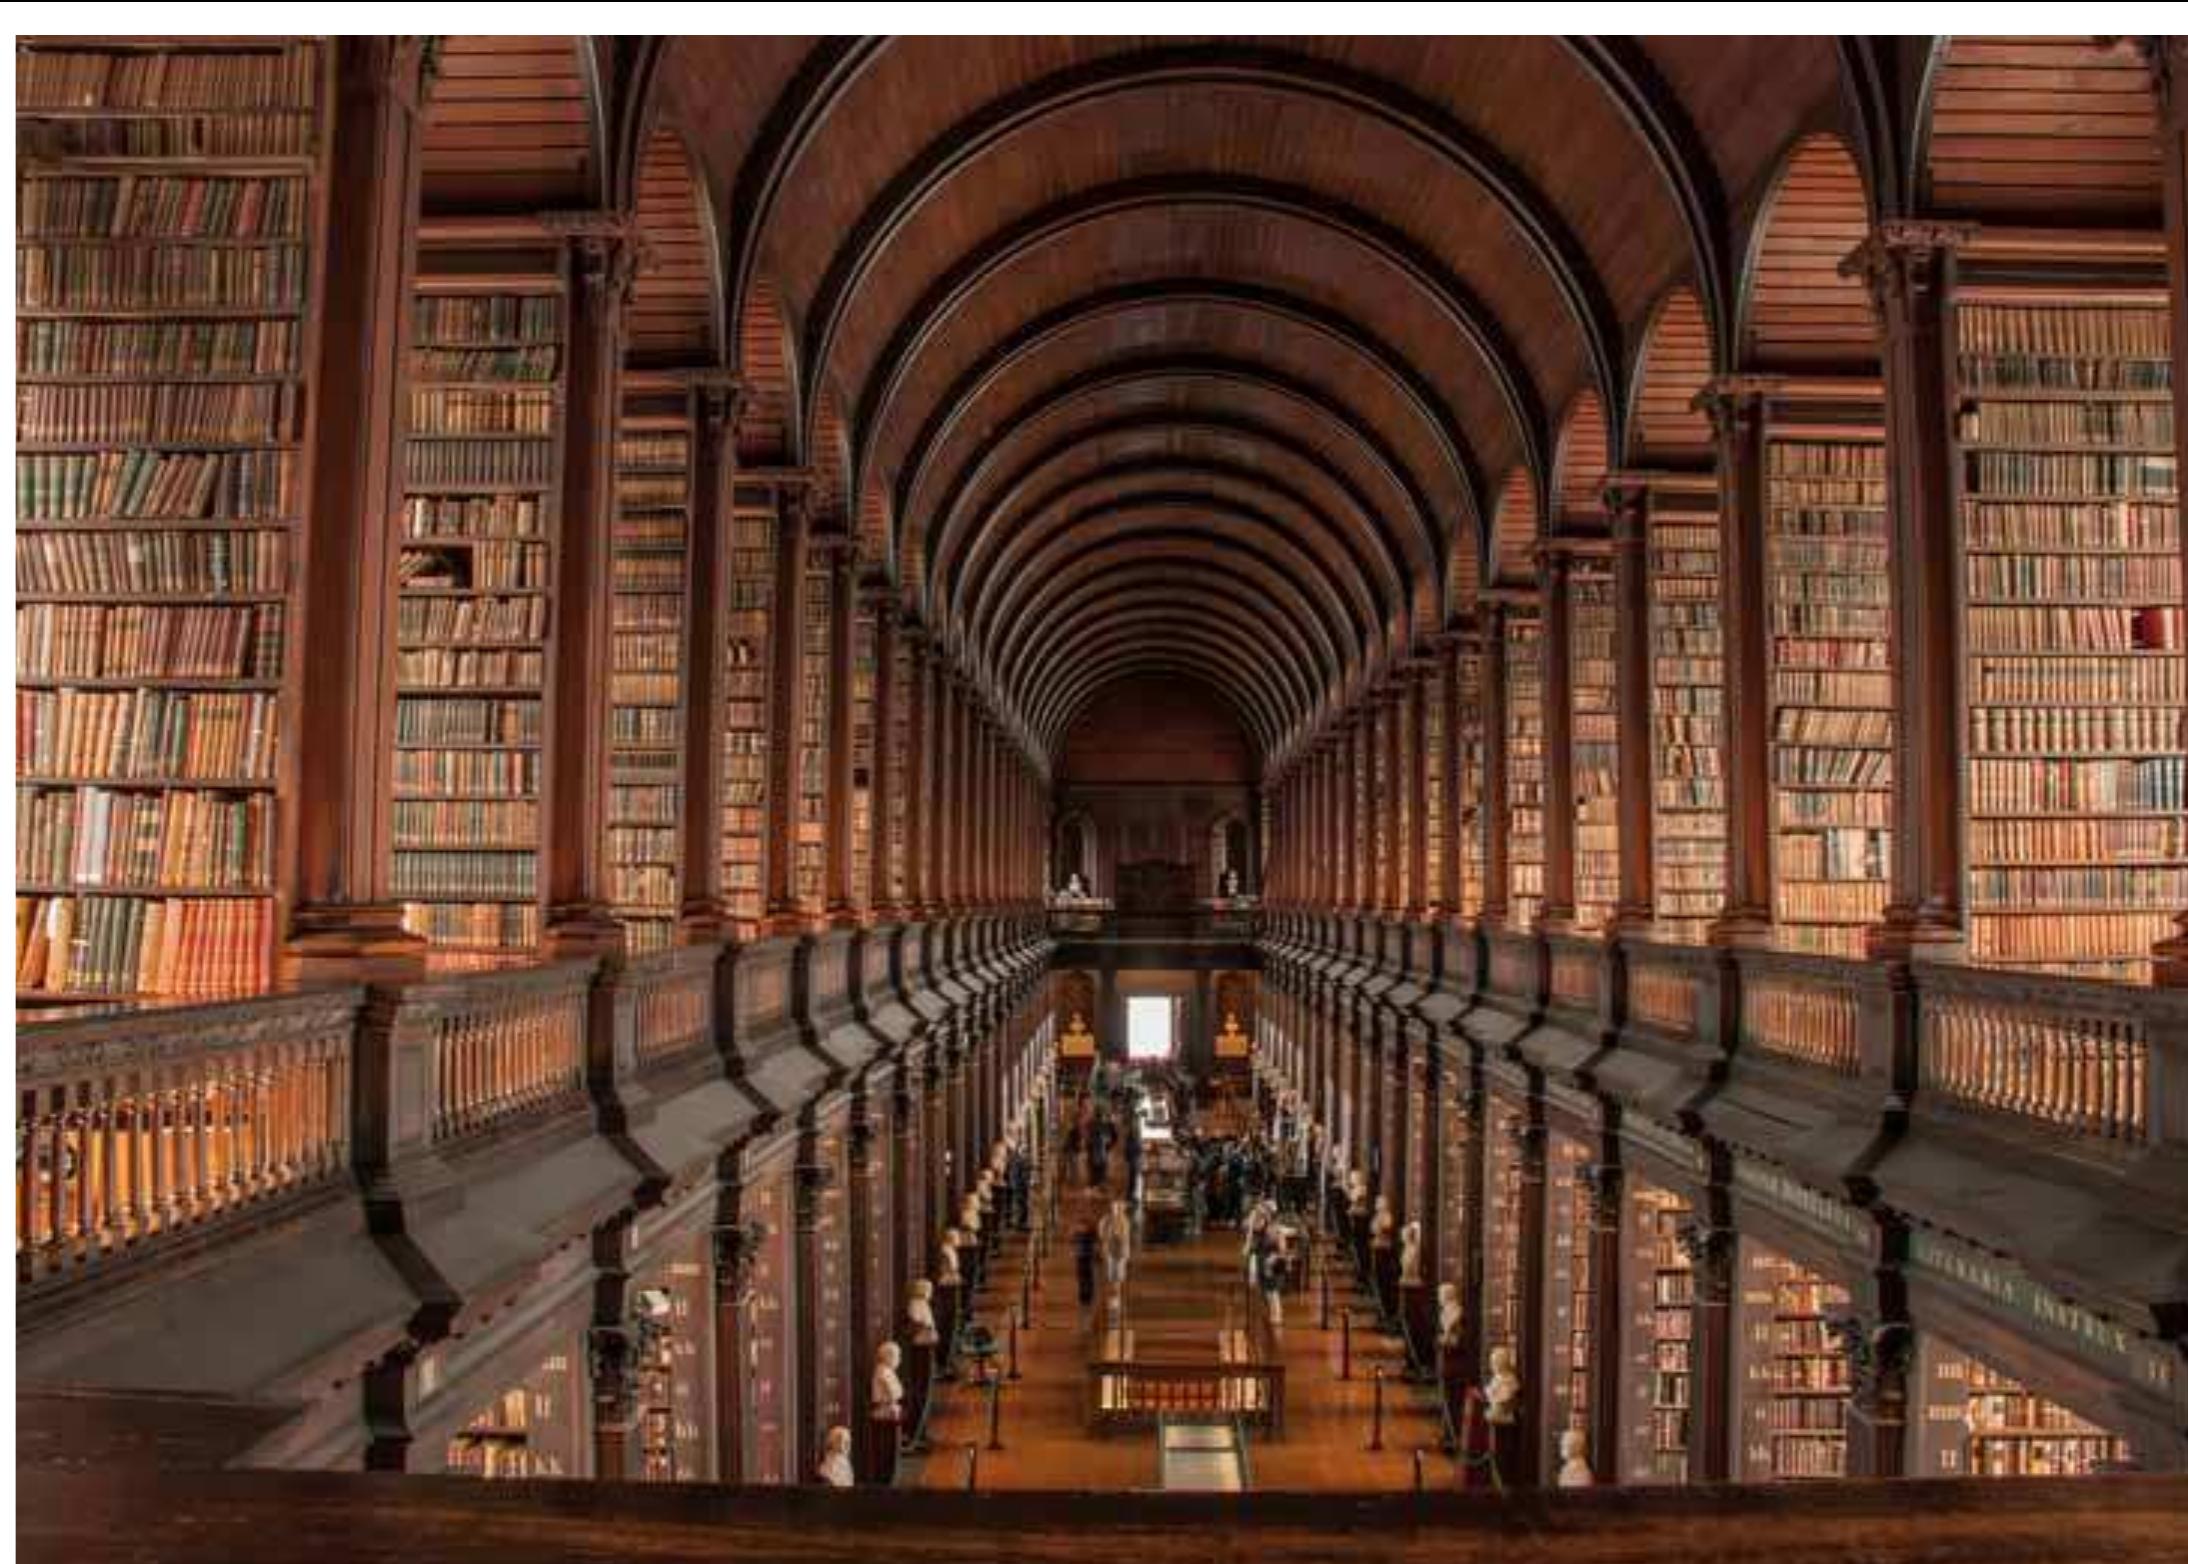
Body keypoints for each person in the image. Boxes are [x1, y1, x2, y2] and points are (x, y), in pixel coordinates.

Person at [1072, 1217, 1099, 1309]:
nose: (1080, 1227)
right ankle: (1083, 1296)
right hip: (1081, 1258)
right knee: (1081, 1278)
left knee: (1087, 1278)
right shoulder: (1078, 1235)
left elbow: (1094, 1247)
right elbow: (1074, 1243)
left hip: (1086, 1258)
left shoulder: (1089, 1236)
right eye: (1080, 1226)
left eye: (1082, 1226)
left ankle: (1087, 1296)